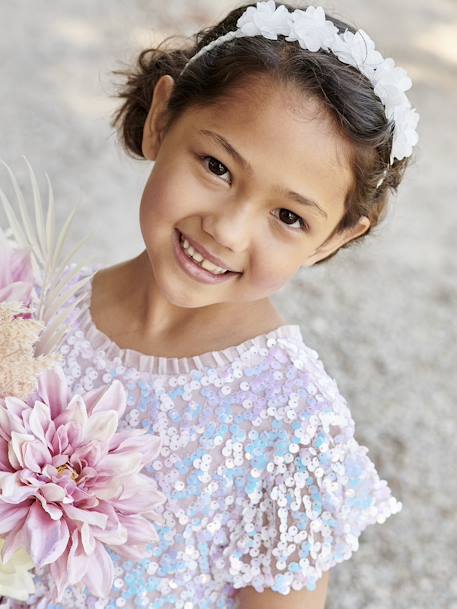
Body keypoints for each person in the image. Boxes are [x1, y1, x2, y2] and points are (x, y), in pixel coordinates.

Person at [8, 2, 418, 608]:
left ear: (334, 237)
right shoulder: (25, 311)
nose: (227, 230)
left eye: (288, 216)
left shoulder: (291, 422)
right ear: (161, 118)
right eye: (217, 166)